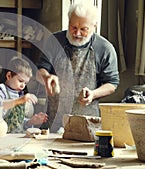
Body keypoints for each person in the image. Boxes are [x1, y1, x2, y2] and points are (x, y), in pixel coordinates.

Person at [36, 2, 120, 132]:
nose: (77, 33)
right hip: (55, 119)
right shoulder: (55, 41)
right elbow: (41, 69)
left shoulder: (104, 48)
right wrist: (46, 77)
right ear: (68, 22)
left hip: (88, 121)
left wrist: (93, 94)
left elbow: (112, 83)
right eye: (73, 27)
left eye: (84, 29)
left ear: (94, 26)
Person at [0, 57, 48, 133]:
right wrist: (19, 100)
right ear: (9, 76)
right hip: (0, 135)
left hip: (16, 138)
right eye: (21, 81)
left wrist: (31, 122)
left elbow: (18, 123)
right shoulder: (0, 90)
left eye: (25, 83)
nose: (23, 86)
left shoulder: (18, 95)